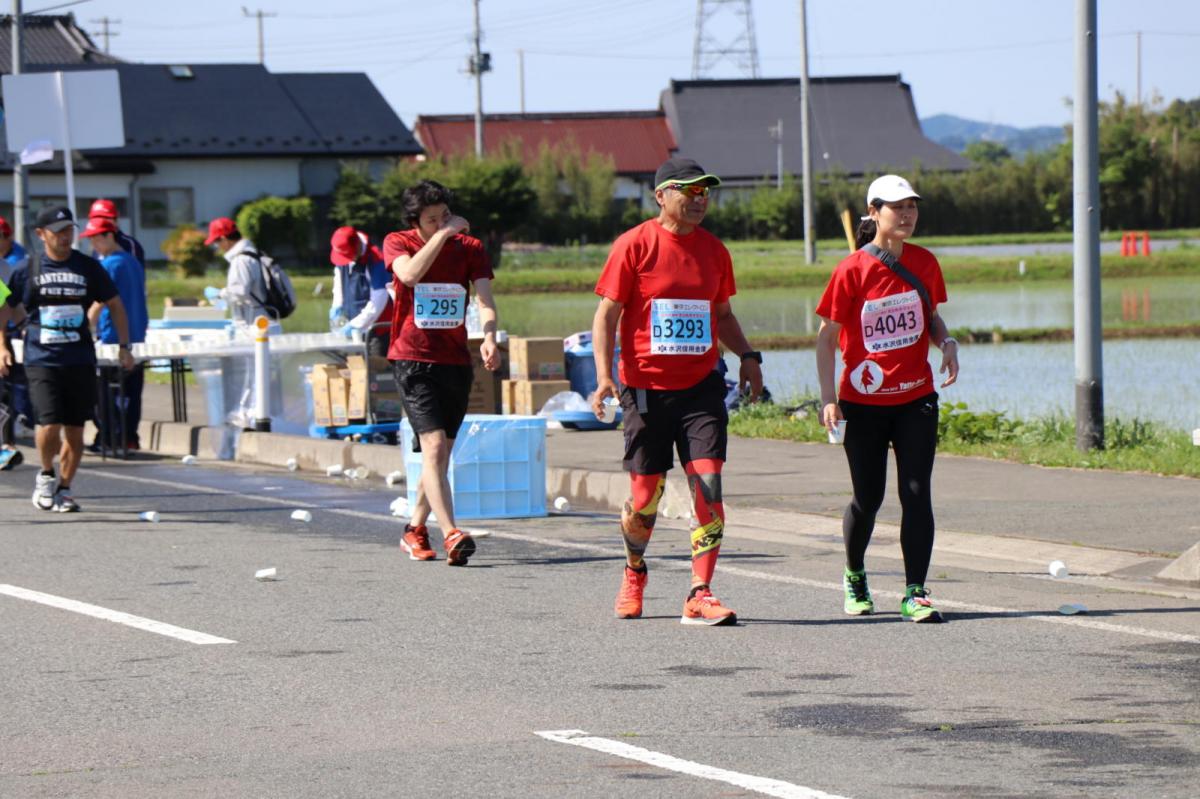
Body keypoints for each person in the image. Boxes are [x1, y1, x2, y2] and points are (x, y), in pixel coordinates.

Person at [591, 157, 763, 626]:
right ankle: (634, 571)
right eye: (689, 191)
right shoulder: (635, 245)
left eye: (705, 192)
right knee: (645, 495)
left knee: (708, 483)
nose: (699, 199)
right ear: (661, 195)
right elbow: (606, 316)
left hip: (702, 387)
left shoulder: (714, 251)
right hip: (645, 387)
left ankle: (699, 592)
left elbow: (722, 314)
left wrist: (748, 357)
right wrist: (605, 376)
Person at [814, 174, 960, 624]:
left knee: (917, 493)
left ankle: (915, 591)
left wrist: (947, 342)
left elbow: (931, 316)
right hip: (863, 403)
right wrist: (828, 398)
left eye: (913, 206)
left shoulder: (925, 263)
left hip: (916, 398)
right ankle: (855, 574)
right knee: (868, 498)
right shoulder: (851, 270)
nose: (908, 214)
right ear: (874, 212)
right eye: (898, 207)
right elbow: (826, 339)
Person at [384, 180, 500, 566]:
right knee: (432, 447)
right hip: (412, 358)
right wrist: (444, 234)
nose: (441, 224)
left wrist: (488, 336)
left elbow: (485, 299)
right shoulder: (398, 242)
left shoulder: (471, 249)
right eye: (431, 219)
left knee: (441, 453)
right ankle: (452, 532)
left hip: (454, 359)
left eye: (445, 216)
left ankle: (414, 528)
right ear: (415, 220)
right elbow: (410, 276)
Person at [0, 206, 134, 512]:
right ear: (41, 234)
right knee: (49, 423)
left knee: (75, 429)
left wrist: (124, 345)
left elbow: (114, 303)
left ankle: (65, 488)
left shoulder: (87, 267)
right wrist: (2, 345)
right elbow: (5, 305)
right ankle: (46, 474)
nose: (65, 236)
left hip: (80, 358)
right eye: (58, 230)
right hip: (41, 357)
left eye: (69, 230)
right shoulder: (28, 268)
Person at [82, 216, 149, 452]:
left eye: (95, 240)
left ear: (109, 236)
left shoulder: (110, 264)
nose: (93, 246)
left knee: (106, 391)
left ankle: (109, 437)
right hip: (138, 333)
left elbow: (99, 303)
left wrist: (86, 326)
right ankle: (130, 437)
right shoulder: (133, 262)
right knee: (132, 391)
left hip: (113, 337)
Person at [329, 225, 392, 356]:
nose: (345, 260)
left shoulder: (376, 260)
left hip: (376, 331)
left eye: (347, 256)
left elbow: (379, 299)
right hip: (352, 328)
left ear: (357, 247)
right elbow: (338, 285)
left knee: (374, 371)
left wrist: (356, 324)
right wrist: (336, 307)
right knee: (352, 369)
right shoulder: (343, 256)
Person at [0, 216, 30, 470]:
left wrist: (26, 330)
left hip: (2, 337)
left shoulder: (6, 268)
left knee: (5, 390)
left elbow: (9, 305)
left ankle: (6, 446)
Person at [203, 217, 269, 325]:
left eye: (216, 242)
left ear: (224, 239)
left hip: (253, 323)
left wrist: (219, 294)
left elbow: (239, 293)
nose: (217, 246)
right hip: (263, 319)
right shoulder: (254, 253)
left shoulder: (241, 260)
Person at [87, 199, 147, 267]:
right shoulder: (95, 247)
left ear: (116, 219)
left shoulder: (129, 244)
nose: (101, 221)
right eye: (95, 218)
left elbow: (136, 274)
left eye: (105, 218)